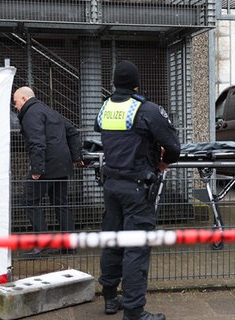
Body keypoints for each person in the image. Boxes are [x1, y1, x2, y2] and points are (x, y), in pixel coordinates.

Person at [95, 60, 181, 320]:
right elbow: (173, 147)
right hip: (137, 188)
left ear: (114, 83)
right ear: (136, 83)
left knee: (112, 240)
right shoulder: (147, 110)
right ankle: (134, 311)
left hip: (111, 185)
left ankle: (111, 298)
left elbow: (103, 131)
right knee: (136, 248)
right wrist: (164, 161)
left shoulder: (105, 107)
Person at [13, 86, 82, 257]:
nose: (15, 106)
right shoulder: (49, 111)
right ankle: (69, 246)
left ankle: (41, 245)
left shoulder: (30, 114)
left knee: (29, 201)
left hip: (45, 166)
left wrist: (37, 169)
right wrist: (75, 157)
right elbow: (72, 131)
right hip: (62, 166)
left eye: (15, 102)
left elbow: (37, 142)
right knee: (61, 204)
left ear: (23, 99)